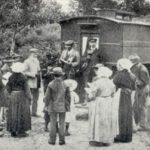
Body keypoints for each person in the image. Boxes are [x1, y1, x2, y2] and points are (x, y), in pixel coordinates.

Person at [86, 66, 116, 146]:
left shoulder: (97, 82)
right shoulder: (111, 82)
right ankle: (106, 139)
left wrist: (89, 97)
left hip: (99, 102)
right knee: (106, 120)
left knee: (98, 120)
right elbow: (113, 93)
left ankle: (98, 139)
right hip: (108, 101)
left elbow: (93, 94)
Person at [43, 67, 71, 145]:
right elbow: (68, 97)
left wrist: (45, 104)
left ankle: (52, 140)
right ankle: (62, 140)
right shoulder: (65, 84)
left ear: (53, 75)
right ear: (61, 75)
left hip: (52, 106)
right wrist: (67, 107)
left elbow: (47, 97)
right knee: (62, 123)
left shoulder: (51, 84)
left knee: (53, 123)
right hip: (62, 106)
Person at [6, 62, 32, 137]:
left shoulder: (11, 77)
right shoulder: (23, 77)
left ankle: (13, 130)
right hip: (21, 96)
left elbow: (8, 88)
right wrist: (29, 97)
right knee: (22, 112)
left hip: (13, 96)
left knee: (13, 113)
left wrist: (10, 95)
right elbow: (27, 89)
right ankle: (21, 131)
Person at [113, 58, 136, 143]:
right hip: (129, 96)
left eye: (118, 65)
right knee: (128, 115)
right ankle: (128, 136)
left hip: (120, 95)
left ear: (121, 66)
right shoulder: (132, 75)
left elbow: (113, 83)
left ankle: (121, 136)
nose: (117, 66)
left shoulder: (119, 74)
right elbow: (134, 88)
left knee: (120, 115)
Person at [129, 54, 150, 131]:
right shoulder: (136, 67)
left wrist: (135, 82)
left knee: (142, 107)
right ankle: (139, 123)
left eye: (130, 60)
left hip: (143, 89)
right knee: (138, 106)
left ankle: (143, 125)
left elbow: (145, 82)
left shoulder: (142, 69)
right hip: (139, 89)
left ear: (134, 61)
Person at [24, 48, 41, 116]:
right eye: (34, 53)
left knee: (36, 98)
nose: (36, 54)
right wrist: (32, 75)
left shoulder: (37, 60)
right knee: (29, 97)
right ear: (31, 53)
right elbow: (24, 71)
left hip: (37, 81)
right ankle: (27, 112)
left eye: (36, 53)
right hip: (30, 82)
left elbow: (38, 69)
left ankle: (34, 112)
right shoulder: (27, 61)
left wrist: (39, 73)